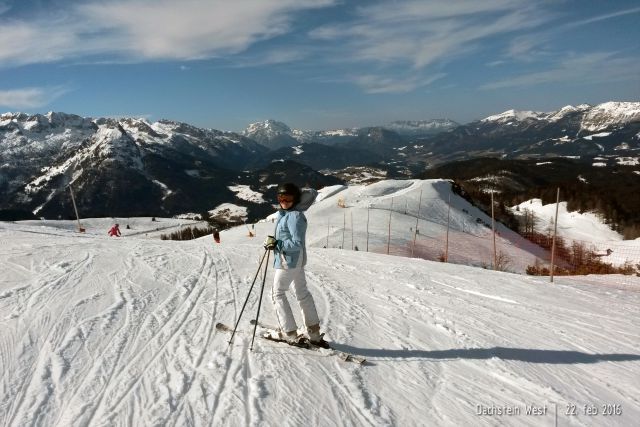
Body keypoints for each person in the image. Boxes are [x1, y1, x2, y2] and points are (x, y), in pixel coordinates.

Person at [263, 183, 328, 347]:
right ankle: (313, 332)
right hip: (295, 261)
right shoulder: (287, 214)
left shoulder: (295, 216)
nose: (284, 201)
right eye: (281, 198)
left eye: (288, 198)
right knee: (302, 293)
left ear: (295, 198)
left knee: (276, 293)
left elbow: (297, 243)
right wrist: (275, 241)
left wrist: (277, 245)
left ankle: (289, 332)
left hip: (289, 261)